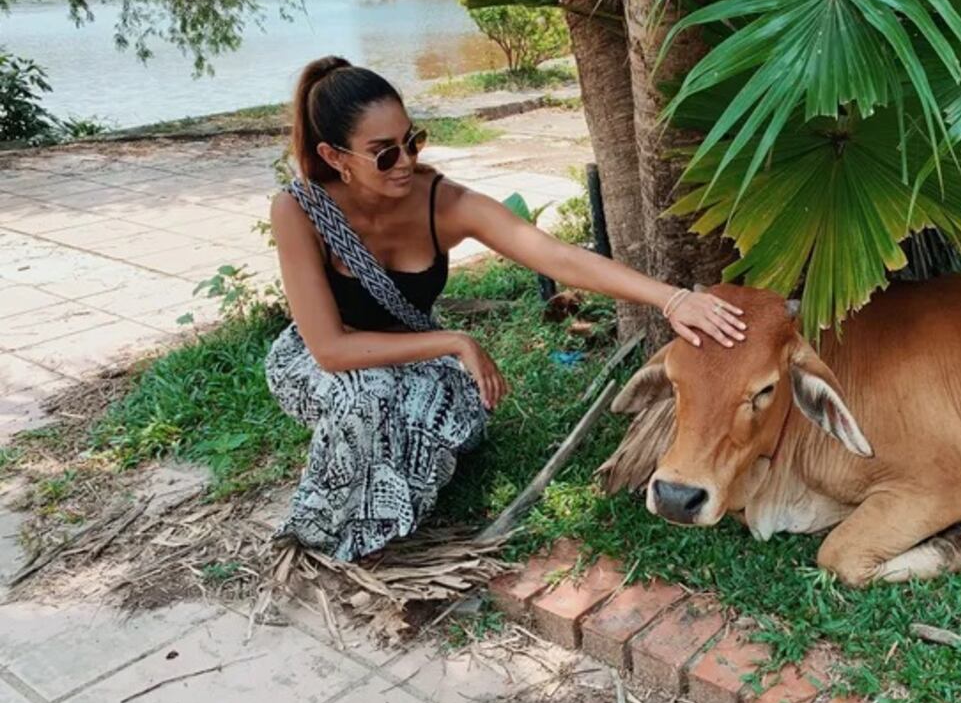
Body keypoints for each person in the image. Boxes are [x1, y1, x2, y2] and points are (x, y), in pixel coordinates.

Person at [264, 56, 747, 561]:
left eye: (412, 141)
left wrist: (672, 299)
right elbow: (330, 348)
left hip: (411, 356)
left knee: (447, 420)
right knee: (371, 400)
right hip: (320, 358)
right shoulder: (299, 211)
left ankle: (391, 469)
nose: (405, 161)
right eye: (383, 154)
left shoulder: (440, 202)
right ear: (333, 154)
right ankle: (328, 536)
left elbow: (555, 255)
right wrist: (456, 340)